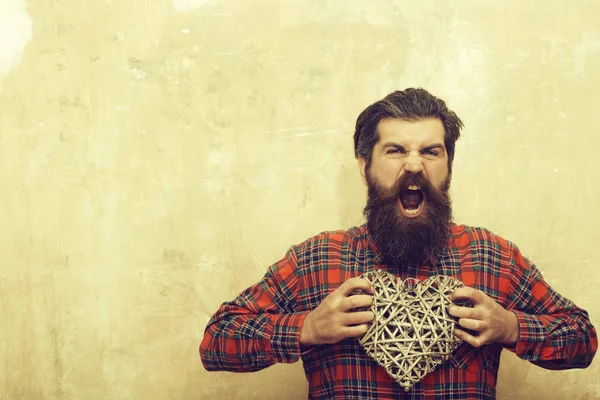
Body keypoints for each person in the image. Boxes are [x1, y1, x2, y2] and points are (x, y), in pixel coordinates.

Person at [200, 88, 597, 399]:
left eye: (430, 151)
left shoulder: (492, 257)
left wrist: (511, 326)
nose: (413, 164)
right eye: (395, 150)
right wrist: (306, 328)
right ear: (364, 166)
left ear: (449, 166)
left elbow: (582, 338)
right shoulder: (317, 259)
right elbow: (217, 340)